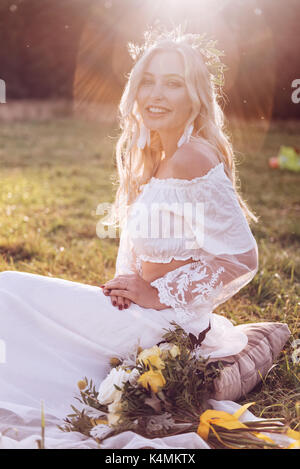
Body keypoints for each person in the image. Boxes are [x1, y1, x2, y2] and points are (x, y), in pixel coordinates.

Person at [0, 27, 260, 449]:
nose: (155, 94)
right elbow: (137, 247)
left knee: (7, 290)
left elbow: (241, 258)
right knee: (14, 301)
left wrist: (157, 294)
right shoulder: (157, 152)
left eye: (173, 84)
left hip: (165, 322)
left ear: (195, 96)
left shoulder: (194, 157)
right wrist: (123, 286)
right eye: (148, 81)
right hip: (138, 312)